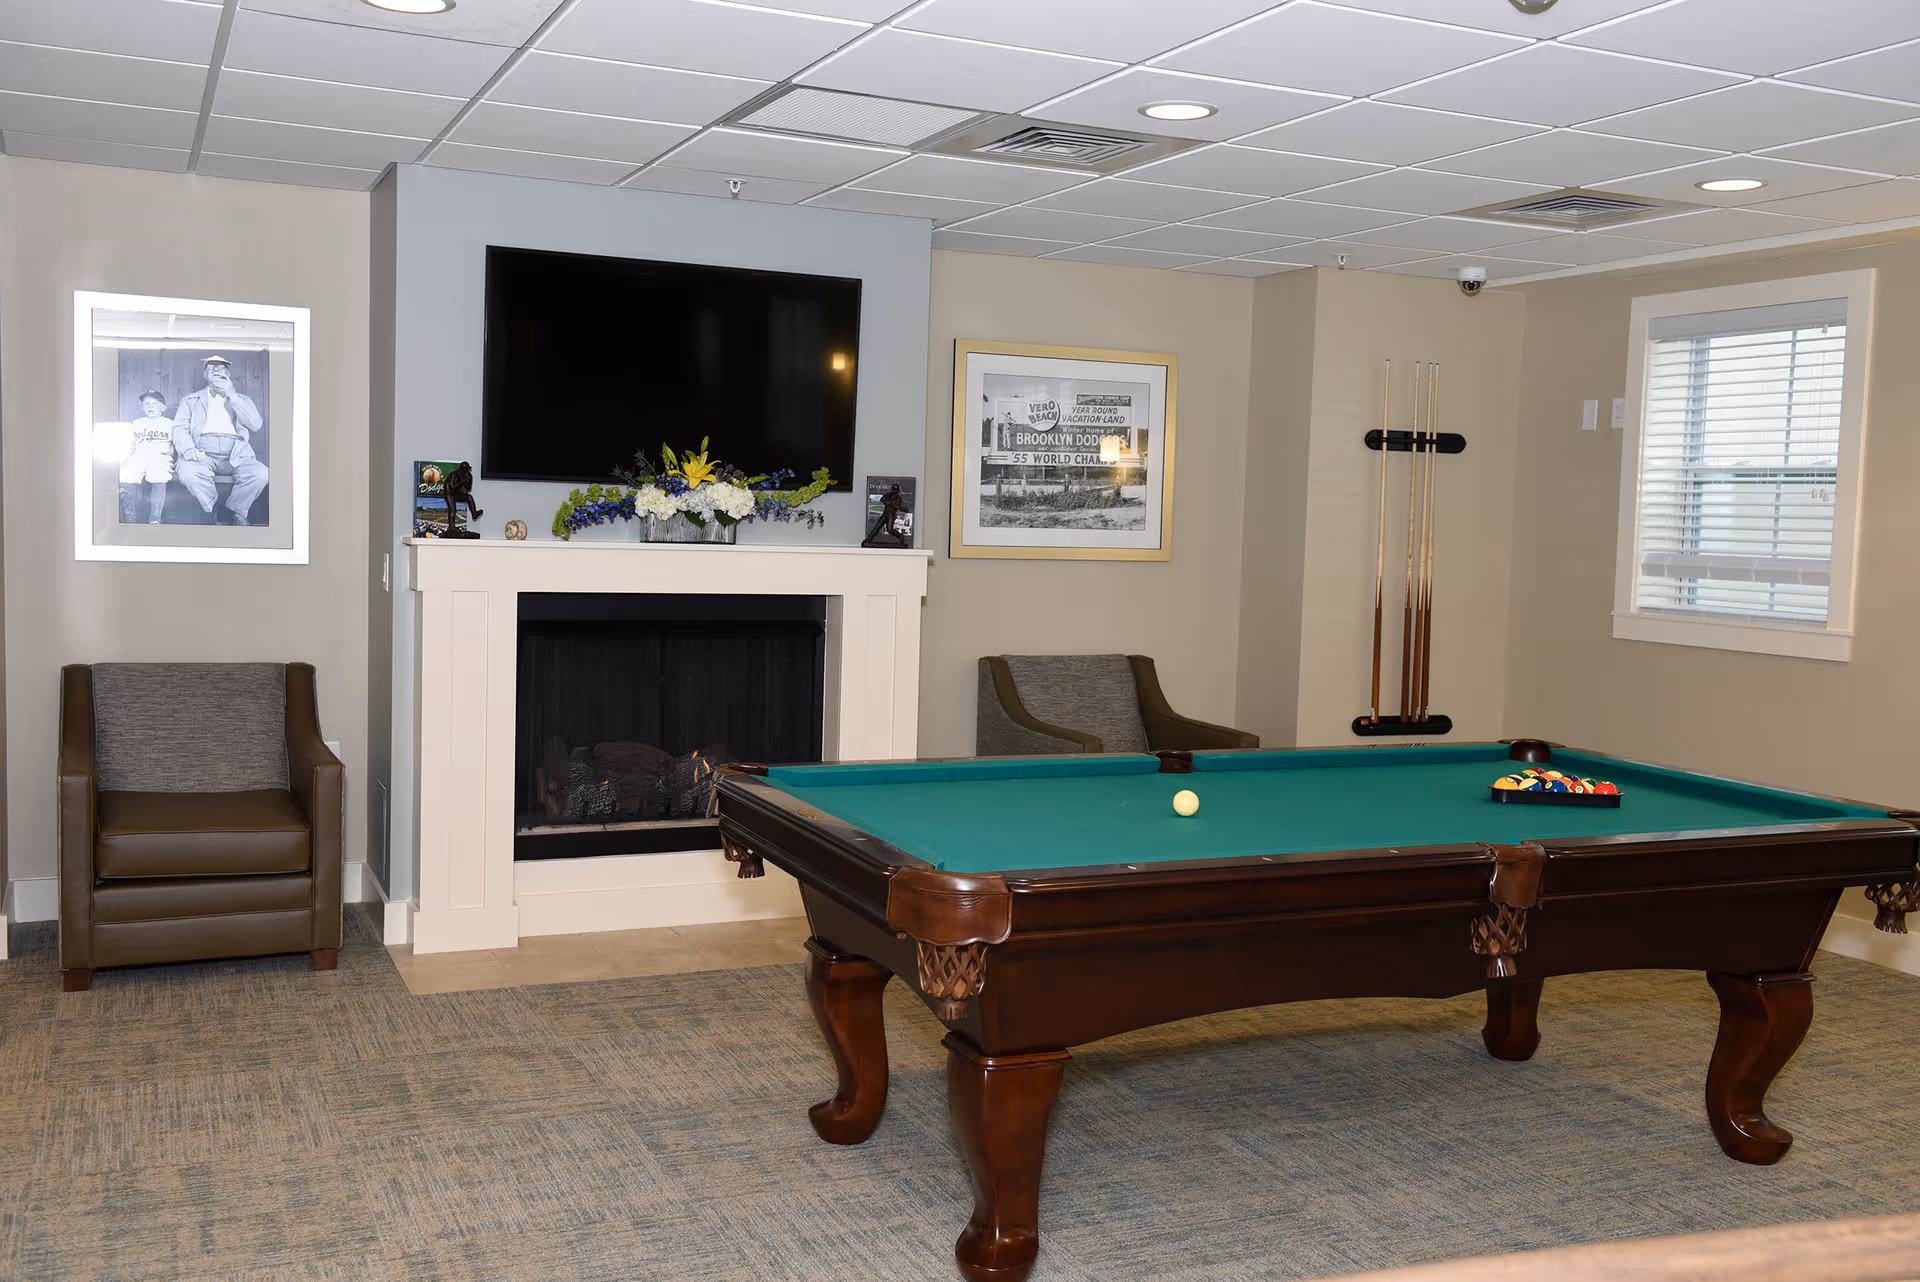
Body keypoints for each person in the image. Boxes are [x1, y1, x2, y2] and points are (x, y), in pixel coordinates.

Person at [172, 355, 267, 525]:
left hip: (236, 452)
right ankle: (214, 509)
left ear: (228, 373)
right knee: (188, 473)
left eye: (221, 368)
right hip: (202, 451)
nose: (215, 370)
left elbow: (256, 425)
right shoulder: (191, 400)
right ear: (204, 375)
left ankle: (233, 511)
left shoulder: (243, 400)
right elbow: (179, 428)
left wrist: (233, 396)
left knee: (261, 473)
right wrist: (188, 449)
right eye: (211, 368)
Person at [120, 390, 174, 524]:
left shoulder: (170, 424)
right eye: (146, 404)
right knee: (128, 475)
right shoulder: (137, 423)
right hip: (140, 456)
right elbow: (130, 444)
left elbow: (177, 443)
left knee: (159, 475)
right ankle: (129, 517)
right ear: (142, 407)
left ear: (163, 407)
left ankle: (155, 518)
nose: (150, 407)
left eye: (155, 403)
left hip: (161, 457)